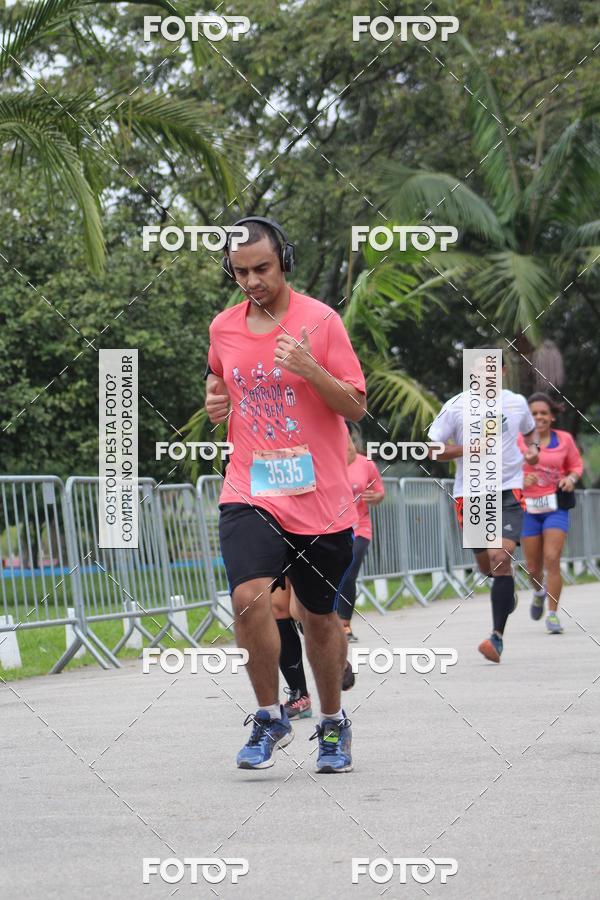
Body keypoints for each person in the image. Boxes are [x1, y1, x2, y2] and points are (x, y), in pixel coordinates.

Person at [205, 216, 366, 772]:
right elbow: (219, 376)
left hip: (320, 497)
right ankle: (270, 716)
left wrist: (310, 369)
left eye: (263, 269)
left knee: (317, 617)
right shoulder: (222, 327)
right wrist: (215, 402)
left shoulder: (321, 321)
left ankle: (331, 724)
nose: (252, 281)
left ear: (284, 262)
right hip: (250, 485)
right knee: (249, 595)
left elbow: (354, 405)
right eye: (241, 271)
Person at [428, 351, 540, 663]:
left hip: (508, 491)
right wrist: (466, 449)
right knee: (487, 567)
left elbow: (531, 432)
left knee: (500, 557)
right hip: (473, 495)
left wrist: (533, 450)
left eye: (490, 370)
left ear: (502, 371)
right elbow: (432, 449)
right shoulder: (456, 405)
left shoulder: (516, 402)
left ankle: (496, 638)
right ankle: (505, 591)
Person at [518, 392, 583, 634]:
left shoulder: (564, 439)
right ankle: (537, 592)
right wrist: (522, 478)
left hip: (556, 507)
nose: (539, 417)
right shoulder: (518, 441)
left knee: (552, 559)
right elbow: (505, 470)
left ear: (552, 417)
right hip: (528, 509)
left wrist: (571, 477)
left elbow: (576, 465)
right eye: (533, 413)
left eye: (543, 413)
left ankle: (553, 615)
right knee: (533, 566)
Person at [338, 429, 385, 641]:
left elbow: (379, 491)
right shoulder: (324, 460)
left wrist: (375, 497)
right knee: (332, 575)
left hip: (360, 527)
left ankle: (344, 625)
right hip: (331, 528)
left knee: (348, 571)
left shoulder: (365, 463)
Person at [271, 580, 312, 719]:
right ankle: (299, 694)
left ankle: (338, 658)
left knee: (303, 610)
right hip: (276, 558)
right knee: (277, 608)